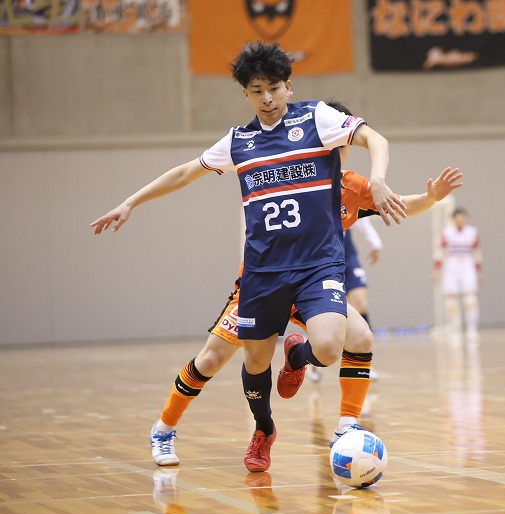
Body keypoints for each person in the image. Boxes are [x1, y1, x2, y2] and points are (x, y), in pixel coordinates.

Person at [91, 42, 408, 473]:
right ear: (245, 94)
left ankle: (305, 369)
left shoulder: (316, 118)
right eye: (257, 91)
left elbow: (375, 137)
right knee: (247, 362)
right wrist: (131, 202)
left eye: (274, 88)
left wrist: (380, 179)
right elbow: (185, 172)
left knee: (332, 344)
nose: (267, 98)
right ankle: (262, 428)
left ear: (288, 87)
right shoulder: (238, 142)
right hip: (262, 273)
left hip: (316, 267)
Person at [144, 158, 461, 467]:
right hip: (265, 282)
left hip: (311, 284)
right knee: (212, 359)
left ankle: (341, 419)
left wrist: (430, 198)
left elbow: (400, 203)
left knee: (360, 338)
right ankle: (171, 429)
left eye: (342, 143)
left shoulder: (350, 184)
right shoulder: (287, 170)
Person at [309, 216, 383, 384]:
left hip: (347, 255)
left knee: (361, 304)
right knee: (326, 313)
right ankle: (314, 355)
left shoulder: (346, 199)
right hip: (323, 258)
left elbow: (360, 218)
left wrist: (375, 243)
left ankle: (363, 361)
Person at [434, 207, 483, 339]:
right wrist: (437, 271)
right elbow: (439, 253)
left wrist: (479, 272)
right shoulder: (446, 233)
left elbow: (477, 253)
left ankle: (472, 329)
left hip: (467, 266)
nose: (460, 220)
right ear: (453, 219)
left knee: (470, 300)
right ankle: (454, 329)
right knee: (451, 302)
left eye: (462, 217)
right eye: (457, 217)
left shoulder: (472, 232)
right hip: (451, 266)